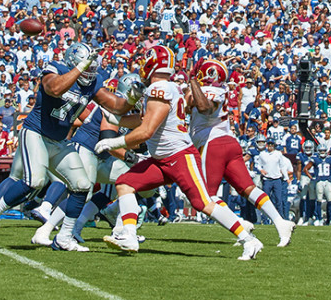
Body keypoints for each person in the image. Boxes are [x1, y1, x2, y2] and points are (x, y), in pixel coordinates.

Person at [100, 45, 263, 259]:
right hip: (162, 159)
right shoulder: (167, 88)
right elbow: (144, 119)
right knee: (125, 184)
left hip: (179, 156)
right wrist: (116, 120)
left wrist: (115, 142)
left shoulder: (159, 89)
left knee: (203, 203)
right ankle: (129, 235)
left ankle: (249, 240)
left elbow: (147, 130)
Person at [0, 42, 133, 251]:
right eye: (86, 66)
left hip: (59, 141)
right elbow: (54, 88)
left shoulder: (92, 82)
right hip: (36, 134)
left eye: (91, 68)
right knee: (34, 181)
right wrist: (78, 69)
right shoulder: (55, 68)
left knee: (82, 185)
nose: (89, 72)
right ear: (74, 62)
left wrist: (133, 97)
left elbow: (115, 105)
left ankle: (65, 237)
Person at [31, 75, 145, 246]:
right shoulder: (116, 104)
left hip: (102, 157)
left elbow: (132, 137)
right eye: (137, 93)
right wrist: (132, 157)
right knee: (82, 192)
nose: (140, 98)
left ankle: (123, 231)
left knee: (131, 180)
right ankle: (45, 230)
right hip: (87, 150)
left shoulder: (127, 110)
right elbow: (108, 140)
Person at [189, 58, 294, 245]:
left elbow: (204, 107)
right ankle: (280, 222)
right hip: (229, 142)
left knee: (207, 196)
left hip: (213, 144)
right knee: (248, 188)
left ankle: (239, 225)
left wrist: (192, 82)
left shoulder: (209, 90)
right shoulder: (219, 89)